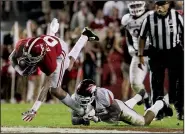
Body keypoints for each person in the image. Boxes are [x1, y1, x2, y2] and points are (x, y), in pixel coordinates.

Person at [9, 18, 99, 122]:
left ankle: (80, 110)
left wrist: (34, 109)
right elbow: (12, 57)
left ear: (41, 55)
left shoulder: (49, 60)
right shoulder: (22, 45)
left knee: (56, 89)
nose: (30, 62)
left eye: (34, 60)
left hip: (59, 52)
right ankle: (55, 32)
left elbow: (45, 86)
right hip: (49, 41)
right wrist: (20, 71)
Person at [138, 1, 184, 120]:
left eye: (162, 4)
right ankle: (158, 111)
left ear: (168, 4)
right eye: (158, 4)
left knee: (178, 82)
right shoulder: (149, 18)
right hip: (156, 52)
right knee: (156, 82)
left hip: (174, 51)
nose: (160, 7)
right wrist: (140, 54)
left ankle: (180, 109)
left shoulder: (177, 16)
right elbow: (142, 37)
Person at [70, 79, 173, 126]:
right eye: (80, 96)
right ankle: (140, 95)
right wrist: (83, 120)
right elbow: (74, 120)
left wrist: (98, 117)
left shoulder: (103, 96)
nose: (82, 99)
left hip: (118, 110)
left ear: (93, 94)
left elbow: (116, 113)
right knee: (127, 105)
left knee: (144, 122)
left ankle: (160, 102)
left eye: (85, 96)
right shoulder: (75, 99)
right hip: (110, 110)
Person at [121, 1, 152, 110]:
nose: (135, 8)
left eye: (137, 5)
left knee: (158, 84)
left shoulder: (151, 15)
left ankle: (160, 108)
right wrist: (130, 46)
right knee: (135, 84)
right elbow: (128, 34)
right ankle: (147, 100)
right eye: (133, 6)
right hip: (138, 55)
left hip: (154, 54)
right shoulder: (127, 19)